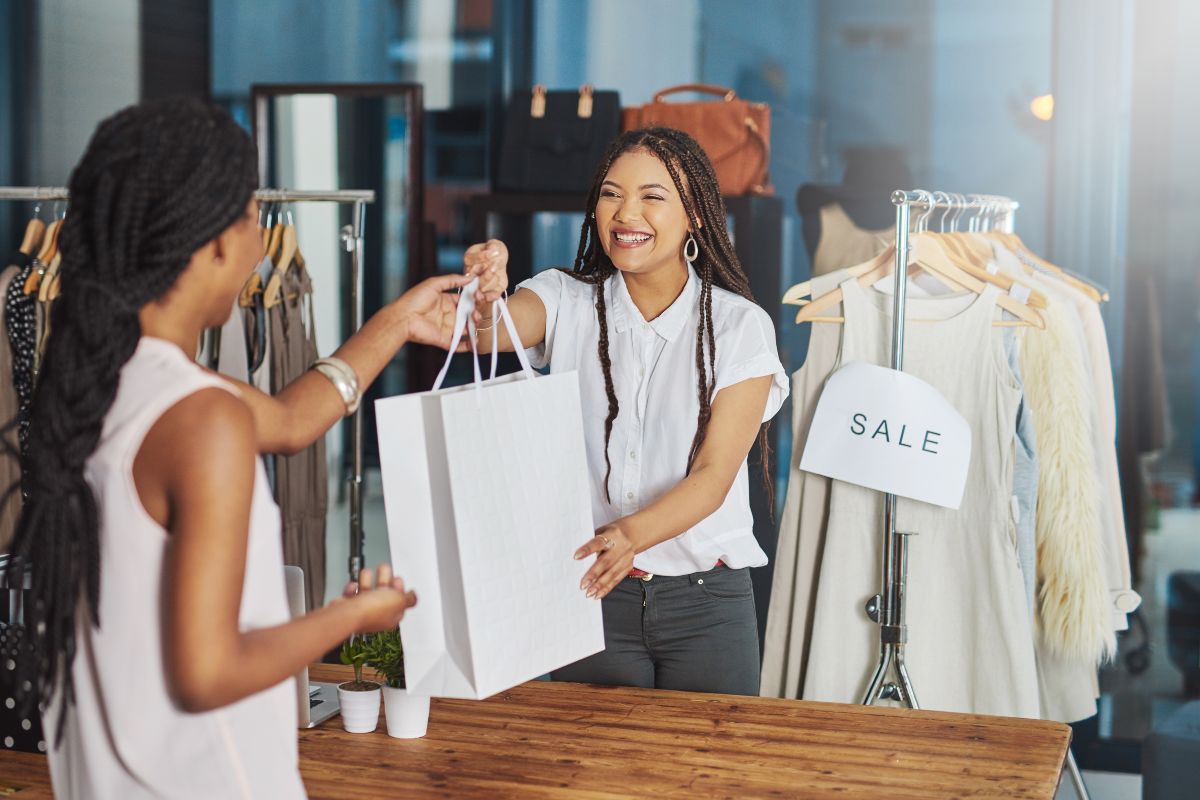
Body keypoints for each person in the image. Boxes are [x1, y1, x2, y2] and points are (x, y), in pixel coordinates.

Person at [9, 98, 472, 798]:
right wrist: (352, 619)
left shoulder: (98, 383)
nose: (261, 246)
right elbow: (208, 672)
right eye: (253, 220)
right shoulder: (202, 418)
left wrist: (398, 323)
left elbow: (289, 421)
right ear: (213, 242)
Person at [461, 127, 788, 695]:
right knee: (589, 776)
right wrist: (486, 294)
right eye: (612, 193)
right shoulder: (563, 298)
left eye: (652, 196)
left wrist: (626, 537)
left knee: (710, 779)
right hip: (594, 594)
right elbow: (490, 333)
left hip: (707, 605)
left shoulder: (739, 327)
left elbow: (713, 479)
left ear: (697, 218)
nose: (625, 211)